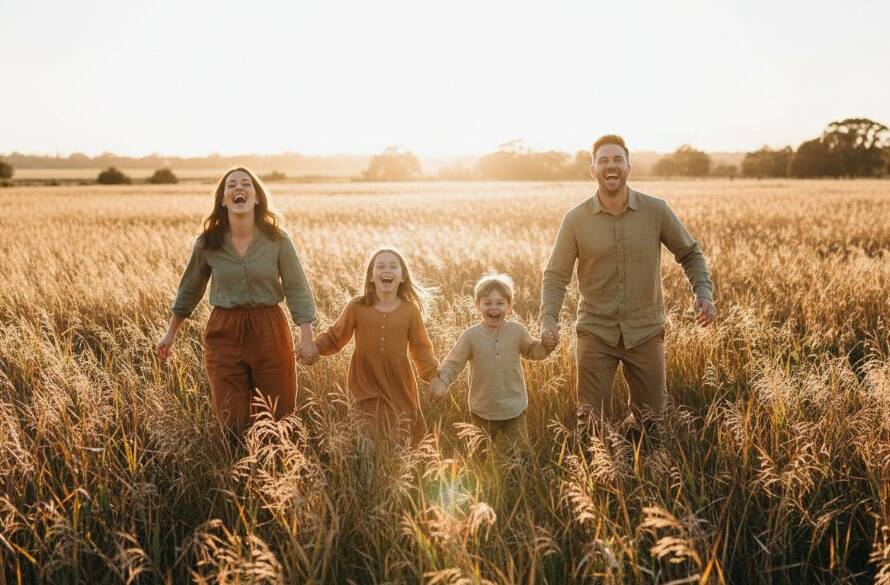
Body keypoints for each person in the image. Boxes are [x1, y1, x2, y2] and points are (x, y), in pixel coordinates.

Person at [539, 135, 716, 435]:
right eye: (604, 160)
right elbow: (556, 275)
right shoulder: (576, 219)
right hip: (595, 332)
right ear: (592, 169)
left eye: (617, 160)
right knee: (592, 425)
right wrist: (548, 319)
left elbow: (690, 253)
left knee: (655, 424)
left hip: (645, 331)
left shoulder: (656, 211)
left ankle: (651, 477)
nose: (611, 166)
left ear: (629, 167)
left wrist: (703, 293)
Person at [156, 167, 318, 433]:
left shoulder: (277, 240)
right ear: (222, 199)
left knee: (278, 416)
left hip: (270, 329)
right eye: (231, 185)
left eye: (246, 184)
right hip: (225, 331)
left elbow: (296, 287)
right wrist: (170, 333)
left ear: (256, 198)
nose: (238, 188)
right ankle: (234, 469)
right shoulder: (208, 242)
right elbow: (189, 289)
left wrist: (307, 336)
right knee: (231, 418)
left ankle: (277, 470)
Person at [305, 248, 438, 445]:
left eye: (393, 266)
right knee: (367, 425)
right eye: (381, 266)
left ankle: (395, 466)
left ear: (402, 277)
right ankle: (368, 464)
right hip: (364, 378)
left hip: (398, 379)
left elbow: (421, 347)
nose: (387, 270)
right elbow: (335, 335)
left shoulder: (410, 311)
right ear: (371, 277)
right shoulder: (357, 306)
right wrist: (315, 347)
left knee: (400, 425)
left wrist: (433, 376)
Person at [431, 274, 552, 453]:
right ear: (478, 305)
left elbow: (533, 351)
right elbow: (454, 363)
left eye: (500, 303)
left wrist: (547, 346)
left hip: (514, 409)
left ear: (509, 306)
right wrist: (443, 381)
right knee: (478, 457)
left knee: (523, 456)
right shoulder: (470, 336)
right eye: (487, 303)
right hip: (482, 410)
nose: (494, 308)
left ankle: (519, 479)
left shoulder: (517, 331)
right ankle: (482, 479)